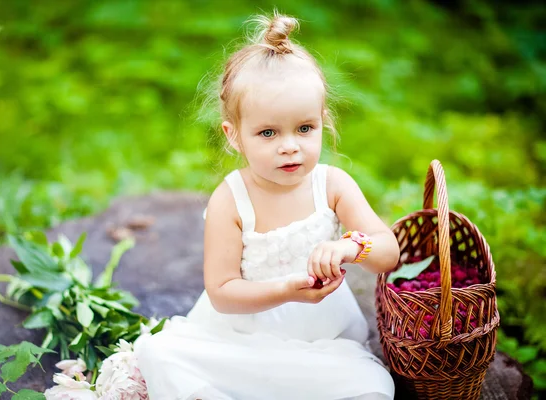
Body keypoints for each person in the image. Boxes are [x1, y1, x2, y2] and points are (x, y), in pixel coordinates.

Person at [134, 11, 399, 400]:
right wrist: (286, 290)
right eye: (268, 132)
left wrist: (350, 246)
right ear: (235, 135)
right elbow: (222, 292)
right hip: (239, 342)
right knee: (157, 352)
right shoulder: (231, 198)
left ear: (322, 121)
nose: (289, 145)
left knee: (375, 387)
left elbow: (389, 252)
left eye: (305, 128)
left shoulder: (332, 184)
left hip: (321, 344)